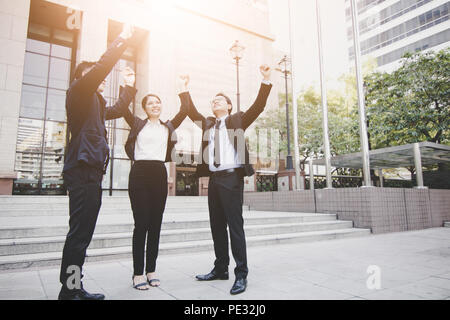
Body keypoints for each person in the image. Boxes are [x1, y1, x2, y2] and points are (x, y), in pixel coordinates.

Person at [58, 24, 137, 300]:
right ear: (83, 77)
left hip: (92, 173)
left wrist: (128, 87)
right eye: (97, 78)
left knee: (84, 232)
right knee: (79, 232)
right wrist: (122, 40)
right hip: (81, 171)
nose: (103, 81)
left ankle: (73, 287)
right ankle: (69, 290)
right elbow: (101, 69)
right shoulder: (79, 94)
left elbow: (116, 109)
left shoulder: (97, 106)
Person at [182, 65, 272, 295]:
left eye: (220, 99)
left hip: (232, 179)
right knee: (216, 226)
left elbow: (258, 106)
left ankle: (241, 274)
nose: (215, 102)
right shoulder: (209, 124)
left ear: (229, 105)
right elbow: (191, 112)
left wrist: (266, 79)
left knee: (235, 226)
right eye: (213, 100)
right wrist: (184, 89)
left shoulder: (238, 120)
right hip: (214, 179)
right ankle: (220, 268)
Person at [122, 76, 189, 290]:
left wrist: (182, 88)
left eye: (158, 102)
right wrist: (128, 84)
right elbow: (123, 108)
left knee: (155, 225)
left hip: (159, 172)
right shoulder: (137, 123)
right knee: (141, 224)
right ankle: (137, 273)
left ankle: (151, 270)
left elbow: (185, 110)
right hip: (140, 173)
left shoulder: (167, 126)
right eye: (150, 102)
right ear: (144, 108)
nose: (155, 105)